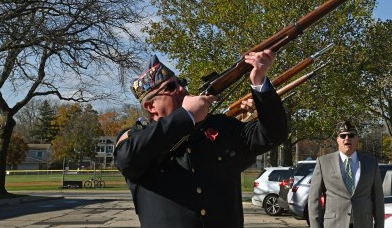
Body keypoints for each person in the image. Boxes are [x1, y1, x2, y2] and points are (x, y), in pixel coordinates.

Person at [114, 50, 288, 228]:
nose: (182, 89)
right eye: (171, 88)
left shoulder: (219, 126)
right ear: (151, 106)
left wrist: (259, 82)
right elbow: (127, 160)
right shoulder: (135, 138)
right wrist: (186, 116)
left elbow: (273, 134)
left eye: (181, 83)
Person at [308, 120, 384, 228]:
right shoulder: (323, 163)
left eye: (351, 135)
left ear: (357, 138)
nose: (347, 138)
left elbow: (378, 200)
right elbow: (314, 199)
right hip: (334, 224)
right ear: (338, 140)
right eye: (343, 136)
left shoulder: (371, 163)